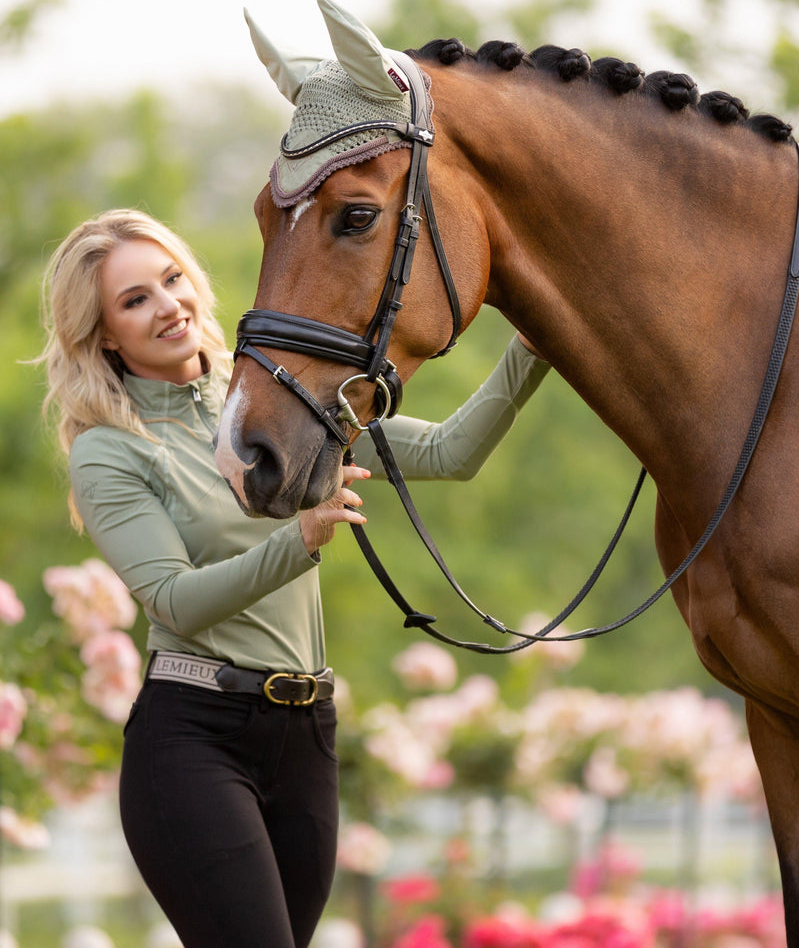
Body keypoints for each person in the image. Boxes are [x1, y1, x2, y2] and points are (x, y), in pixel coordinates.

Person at [38, 208, 550, 948]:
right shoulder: (110, 453)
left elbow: (448, 452)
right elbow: (174, 599)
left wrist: (533, 347)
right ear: (103, 334)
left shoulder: (276, 404)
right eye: (134, 299)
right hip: (194, 736)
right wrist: (300, 539)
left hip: (305, 729)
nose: (168, 305)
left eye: (172, 279)